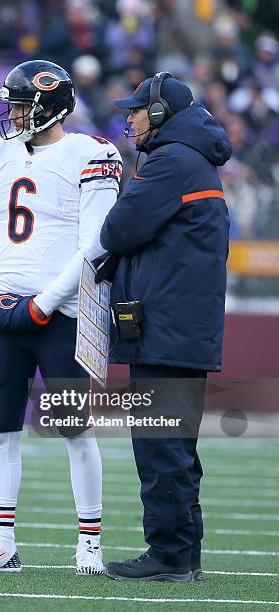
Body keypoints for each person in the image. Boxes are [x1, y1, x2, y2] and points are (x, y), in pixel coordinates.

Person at [0, 59, 122, 574]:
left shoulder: (92, 154)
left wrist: (45, 302)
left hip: (62, 314)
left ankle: (89, 542)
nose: (14, 114)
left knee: (74, 430)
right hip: (2, 311)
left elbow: (96, 242)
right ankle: (0, 541)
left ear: (51, 106)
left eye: (22, 105)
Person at [98, 72, 232, 582]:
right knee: (175, 447)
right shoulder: (191, 159)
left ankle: (170, 555)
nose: (129, 118)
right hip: (183, 329)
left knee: (160, 447)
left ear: (158, 114)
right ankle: (183, 554)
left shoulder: (172, 161)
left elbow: (119, 228)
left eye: (135, 110)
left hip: (167, 331)